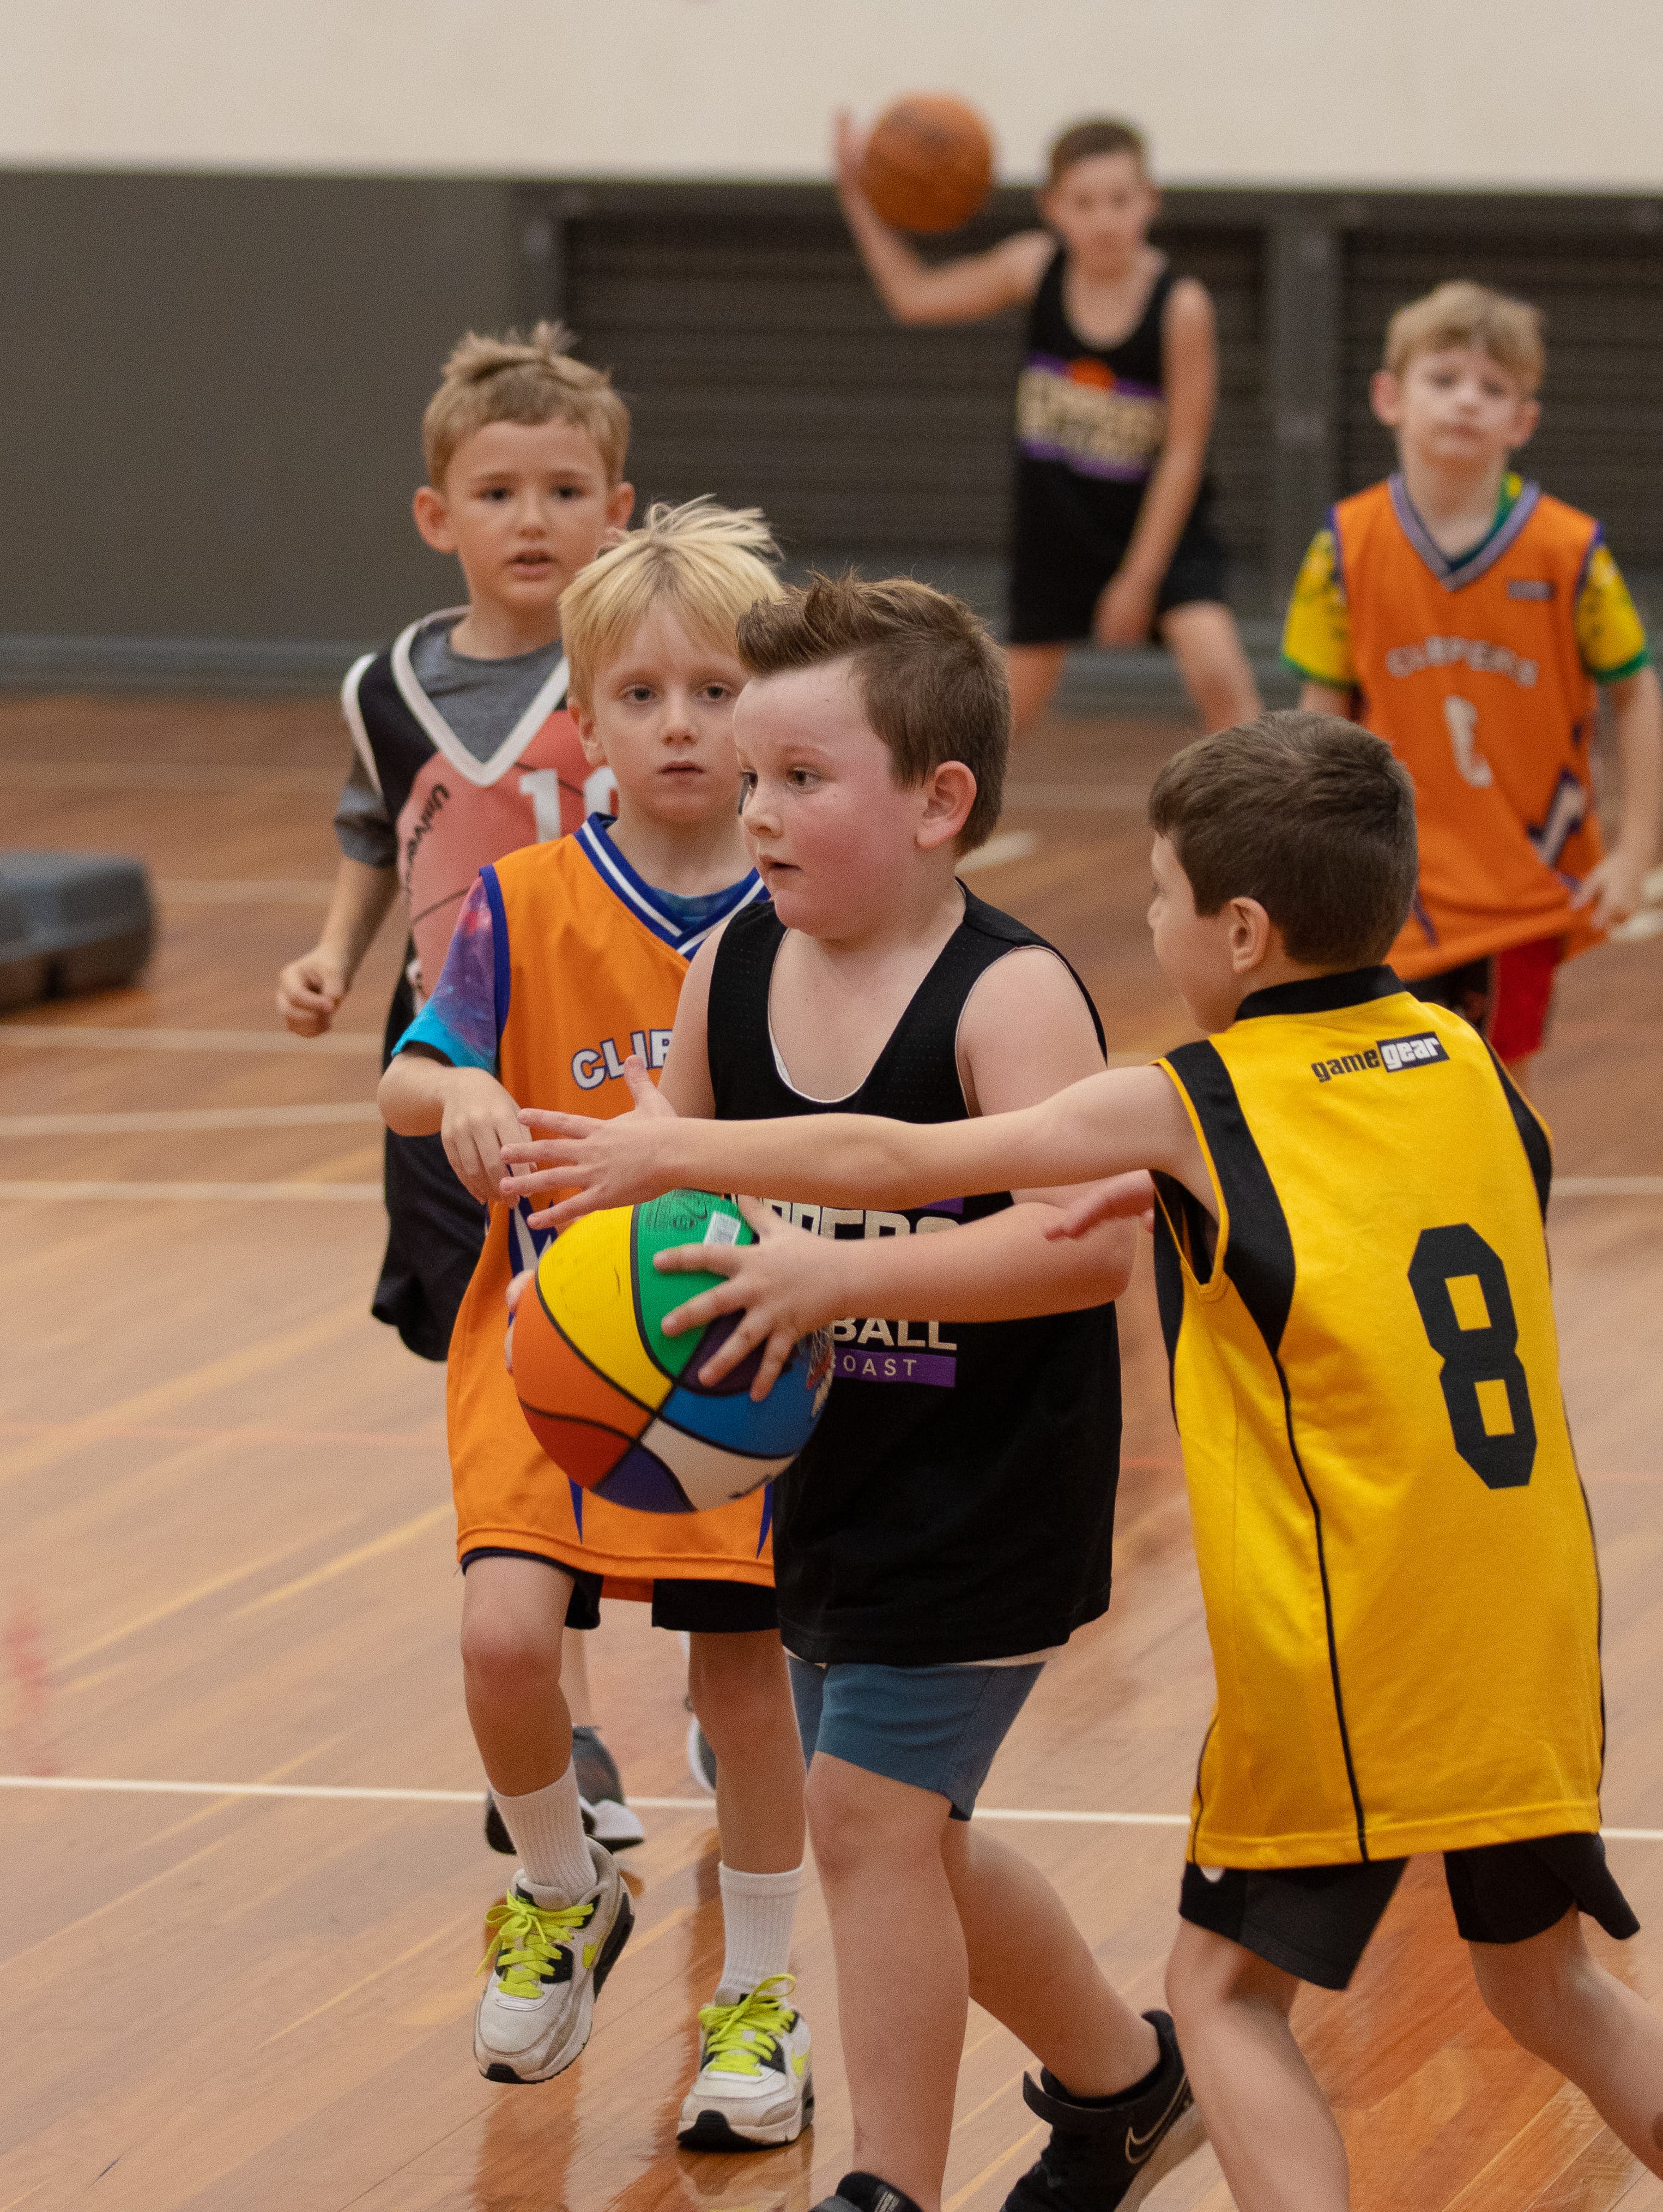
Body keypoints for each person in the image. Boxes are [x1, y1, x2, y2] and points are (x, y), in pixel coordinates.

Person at [506, 709, 1663, 2212]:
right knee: (1544, 1983)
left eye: (1159, 894)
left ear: (1238, 932)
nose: (1147, 919)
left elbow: (894, 1160)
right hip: (1531, 1628)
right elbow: (1360, 1205)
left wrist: (671, 1154)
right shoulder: (1463, 1063)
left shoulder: (1190, 1099)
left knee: (1221, 1995)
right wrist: (1176, 1188)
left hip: (1354, 1637)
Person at [509, 574, 1205, 2212]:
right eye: (753, 776)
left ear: (938, 800)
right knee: (907, 1834)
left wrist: (831, 1276)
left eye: (801, 778)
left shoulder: (1006, 993)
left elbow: (1083, 1250)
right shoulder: (732, 964)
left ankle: (887, 2183)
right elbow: (675, 1184)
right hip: (822, 1479)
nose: (754, 810)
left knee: (866, 1821)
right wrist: (582, 1293)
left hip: (987, 1486)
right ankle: (1125, 2083)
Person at [378, 502, 817, 2151]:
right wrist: (461, 1092)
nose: (679, 725)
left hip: (736, 1348)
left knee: (744, 1680)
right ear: (580, 719)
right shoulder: (519, 901)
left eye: (716, 692)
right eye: (640, 695)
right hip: (549, 1341)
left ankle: (758, 1995)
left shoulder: (804, 916)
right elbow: (411, 1073)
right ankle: (564, 1885)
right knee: (504, 1639)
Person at [276, 323, 641, 1846]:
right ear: (438, 515)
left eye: (564, 490)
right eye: (497, 493)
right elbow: (380, 827)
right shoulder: (384, 684)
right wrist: (334, 952)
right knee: (515, 1383)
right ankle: (567, 1718)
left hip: (624, 1071)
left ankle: (731, 1658)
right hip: (455, 1075)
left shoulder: (640, 664)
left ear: (618, 508)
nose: (531, 519)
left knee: (680, 1360)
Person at [1283, 279, 1663, 1077]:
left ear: (1522, 421)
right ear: (1388, 397)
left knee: (1497, 1088)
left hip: (1520, 880)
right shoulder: (1342, 546)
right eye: (1444, 378)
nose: (1466, 401)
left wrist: (1635, 851)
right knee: (1383, 1083)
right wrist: (1311, 847)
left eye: (1493, 388)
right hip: (1390, 875)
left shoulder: (1570, 552)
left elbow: (1634, 692)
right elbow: (1320, 717)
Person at [834, 112, 1259, 739]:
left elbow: (1184, 452)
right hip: (1058, 531)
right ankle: (945, 805)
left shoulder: (1180, 305)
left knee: (1219, 673)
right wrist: (857, 194)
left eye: (1120, 200)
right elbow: (914, 295)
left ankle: (1262, 804)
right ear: (1052, 207)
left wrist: (1138, 579)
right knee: (998, 718)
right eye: (1084, 202)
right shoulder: (1034, 268)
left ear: (1150, 201)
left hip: (1159, 532)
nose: (1104, 219)